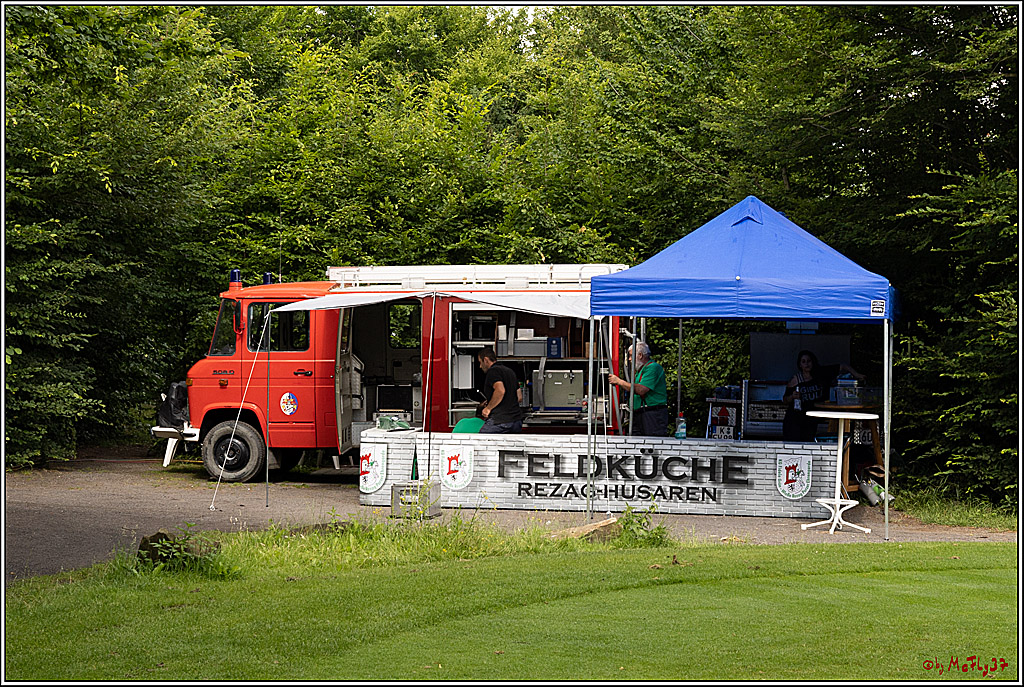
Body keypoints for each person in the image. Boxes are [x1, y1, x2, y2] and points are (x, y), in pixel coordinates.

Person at [782, 349, 866, 442]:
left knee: (808, 443)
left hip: (811, 418)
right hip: (795, 420)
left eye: (809, 361)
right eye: (803, 362)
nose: (807, 364)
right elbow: (785, 399)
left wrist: (857, 375)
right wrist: (792, 396)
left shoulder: (821, 373)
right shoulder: (796, 379)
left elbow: (843, 366)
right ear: (800, 365)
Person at [608, 341, 668, 436]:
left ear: (640, 355)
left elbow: (641, 390)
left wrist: (619, 382)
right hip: (641, 414)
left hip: (652, 414)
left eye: (631, 356)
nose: (630, 359)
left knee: (651, 442)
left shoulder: (653, 368)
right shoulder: (641, 371)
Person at [476, 348, 524, 434]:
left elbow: (500, 391)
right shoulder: (510, 371)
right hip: (516, 422)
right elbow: (519, 397)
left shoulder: (493, 371)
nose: (480, 366)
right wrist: (494, 401)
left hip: (500, 421)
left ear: (486, 360)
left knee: (481, 443)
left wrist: (488, 408)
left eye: (480, 362)